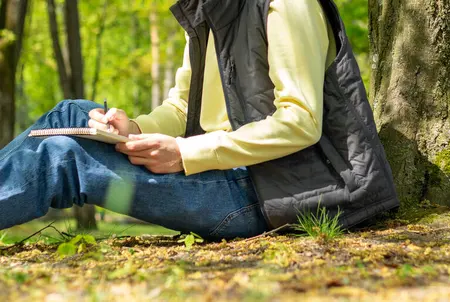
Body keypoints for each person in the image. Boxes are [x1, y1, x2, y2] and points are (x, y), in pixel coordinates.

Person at [0, 0, 399, 239]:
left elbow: (301, 122)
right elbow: (182, 108)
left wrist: (185, 152)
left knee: (61, 157)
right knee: (72, 113)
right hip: (219, 167)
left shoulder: (286, 5)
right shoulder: (210, 12)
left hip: (266, 190)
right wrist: (134, 127)